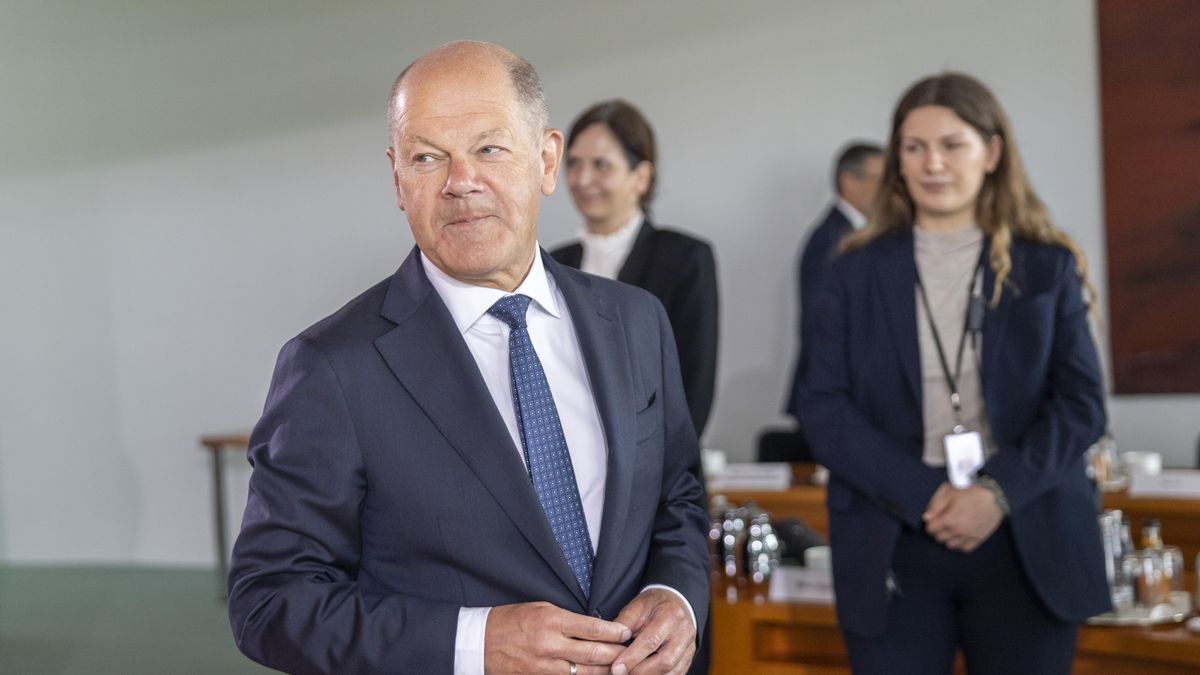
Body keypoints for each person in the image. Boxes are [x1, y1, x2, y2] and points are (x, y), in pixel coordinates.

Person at [227, 41, 709, 675]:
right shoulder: (332, 368)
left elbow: (678, 498)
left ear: (546, 160)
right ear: (398, 179)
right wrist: (475, 644)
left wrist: (677, 596)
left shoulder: (637, 321)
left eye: (489, 148)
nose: (461, 182)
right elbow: (270, 603)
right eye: (427, 157)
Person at [798, 72, 1109, 674]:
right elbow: (823, 406)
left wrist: (995, 492)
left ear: (991, 153)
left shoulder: (1047, 265)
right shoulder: (852, 272)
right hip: (896, 531)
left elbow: (1081, 405)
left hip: (1026, 531)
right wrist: (931, 495)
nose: (932, 163)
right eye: (914, 148)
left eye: (952, 145)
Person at [551, 100, 718, 437]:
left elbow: (694, 387)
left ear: (641, 177)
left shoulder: (685, 258)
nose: (583, 179)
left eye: (601, 165)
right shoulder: (553, 263)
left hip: (653, 468)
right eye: (574, 164)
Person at [783, 142, 882, 426]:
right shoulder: (834, 240)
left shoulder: (853, 236)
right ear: (849, 182)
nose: (891, 191)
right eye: (882, 180)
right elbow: (821, 327)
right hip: (833, 398)